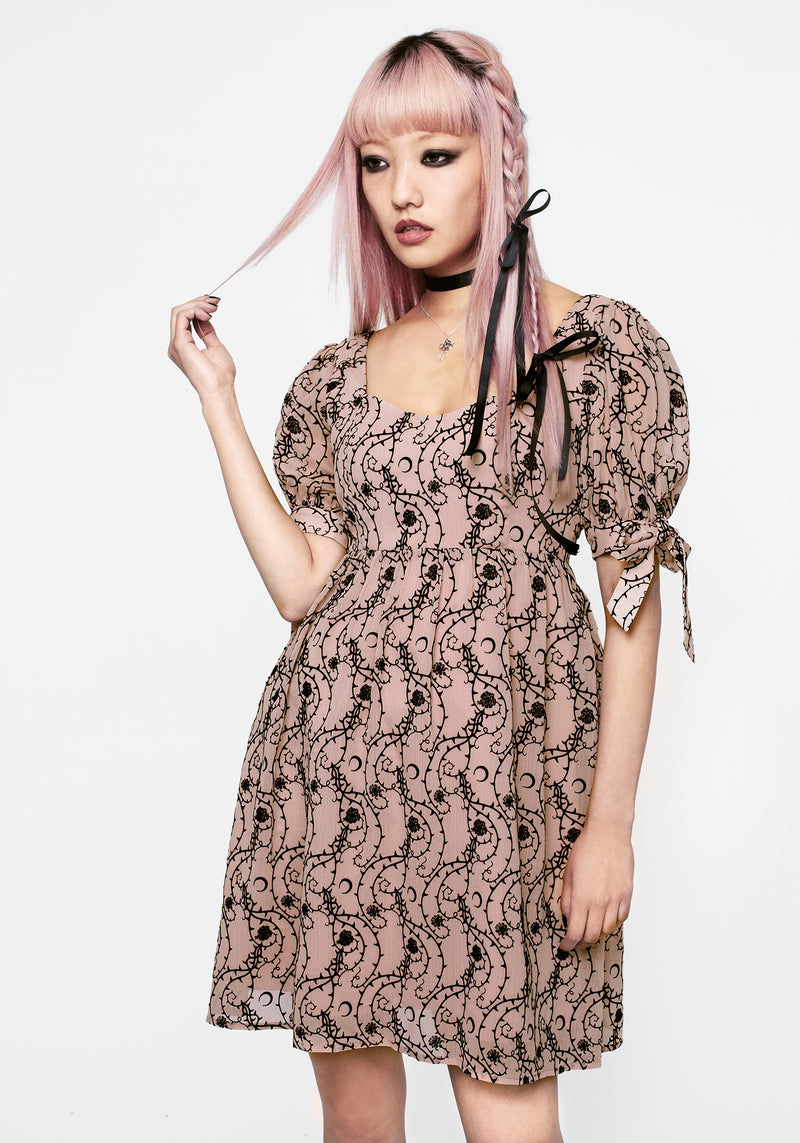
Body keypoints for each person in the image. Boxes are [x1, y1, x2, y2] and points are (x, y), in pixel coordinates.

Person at [167, 28, 693, 1143]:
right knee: (359, 1126)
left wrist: (609, 826)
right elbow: (303, 589)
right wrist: (217, 397)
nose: (400, 190)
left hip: (502, 794)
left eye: (434, 156)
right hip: (338, 779)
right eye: (374, 162)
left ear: (501, 156)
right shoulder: (339, 375)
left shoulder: (589, 352)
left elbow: (630, 603)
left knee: (509, 1119)